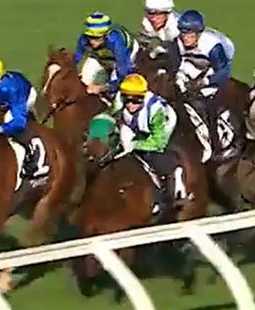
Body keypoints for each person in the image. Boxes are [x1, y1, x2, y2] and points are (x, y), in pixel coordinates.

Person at [170, 10, 236, 160]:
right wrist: (180, 80)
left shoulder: (212, 46)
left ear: (199, 33)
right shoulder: (177, 43)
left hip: (210, 78)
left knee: (209, 107)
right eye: (183, 33)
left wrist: (205, 82)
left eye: (190, 34)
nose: (186, 38)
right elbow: (176, 66)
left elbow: (223, 71)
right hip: (188, 74)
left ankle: (216, 146)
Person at [112, 74, 186, 205]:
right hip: (135, 127)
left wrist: (135, 145)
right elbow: (115, 118)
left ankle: (175, 188)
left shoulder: (156, 110)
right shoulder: (119, 100)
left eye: (135, 100)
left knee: (157, 158)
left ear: (143, 97)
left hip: (162, 130)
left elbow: (158, 142)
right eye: (127, 100)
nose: (130, 105)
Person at [74, 12, 138, 96]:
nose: (92, 41)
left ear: (106, 35)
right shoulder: (83, 39)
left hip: (123, 55)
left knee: (115, 86)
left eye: (97, 38)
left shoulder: (116, 41)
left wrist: (103, 88)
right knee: (84, 80)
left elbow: (123, 71)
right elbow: (77, 59)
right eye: (90, 37)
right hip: (100, 55)